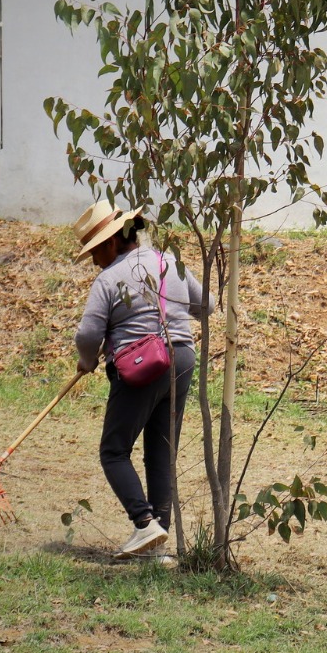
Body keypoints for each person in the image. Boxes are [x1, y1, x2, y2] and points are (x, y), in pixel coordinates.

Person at [72, 199, 209, 559]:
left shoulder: (108, 278)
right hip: (181, 359)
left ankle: (144, 521)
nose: (94, 261)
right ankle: (158, 547)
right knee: (161, 452)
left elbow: (87, 335)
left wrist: (86, 361)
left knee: (114, 451)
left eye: (94, 252)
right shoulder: (168, 262)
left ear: (111, 242)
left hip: (142, 366)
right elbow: (206, 306)